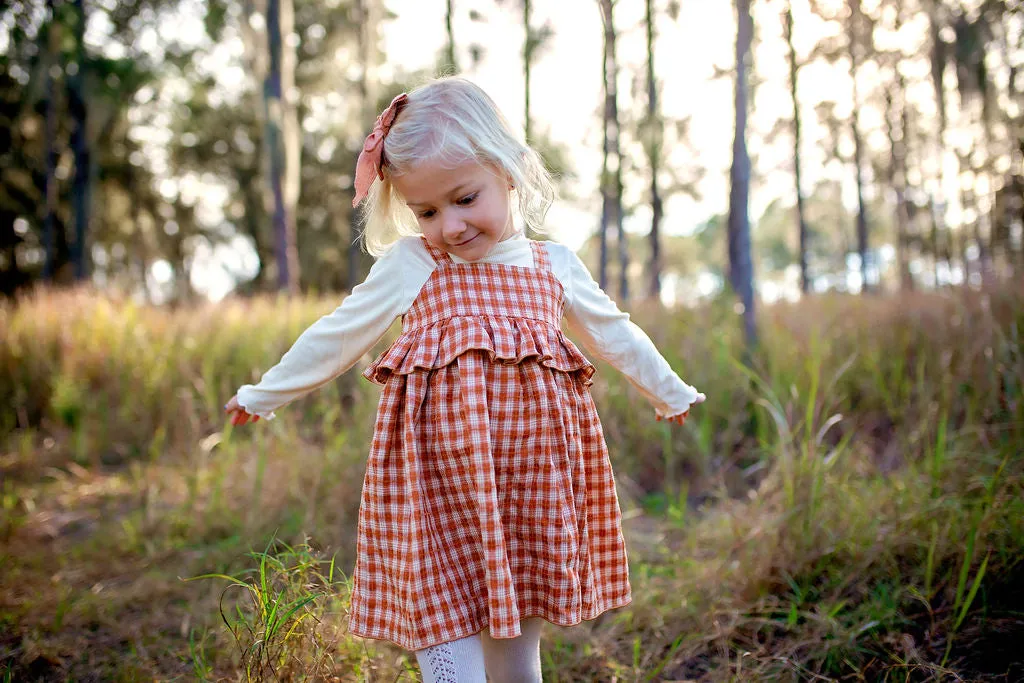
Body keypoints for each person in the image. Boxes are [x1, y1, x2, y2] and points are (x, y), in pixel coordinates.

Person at [224, 76, 705, 683]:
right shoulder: (413, 265)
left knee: (516, 646)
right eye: (426, 211)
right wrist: (265, 392)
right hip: (436, 486)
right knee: (447, 643)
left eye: (465, 198)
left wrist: (667, 389)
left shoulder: (552, 266)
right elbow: (338, 335)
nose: (450, 226)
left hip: (529, 489)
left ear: (509, 171)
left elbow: (615, 333)